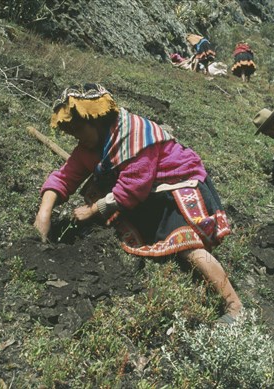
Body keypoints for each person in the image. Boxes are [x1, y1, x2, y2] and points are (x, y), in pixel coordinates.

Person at [34, 83, 242, 324]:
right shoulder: (90, 146)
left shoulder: (135, 136)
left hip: (178, 184)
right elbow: (65, 176)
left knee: (188, 246)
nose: (77, 138)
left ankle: (234, 306)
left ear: (96, 119)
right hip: (149, 190)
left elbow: (131, 188)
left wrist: (92, 211)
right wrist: (44, 212)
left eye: (79, 130)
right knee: (96, 188)